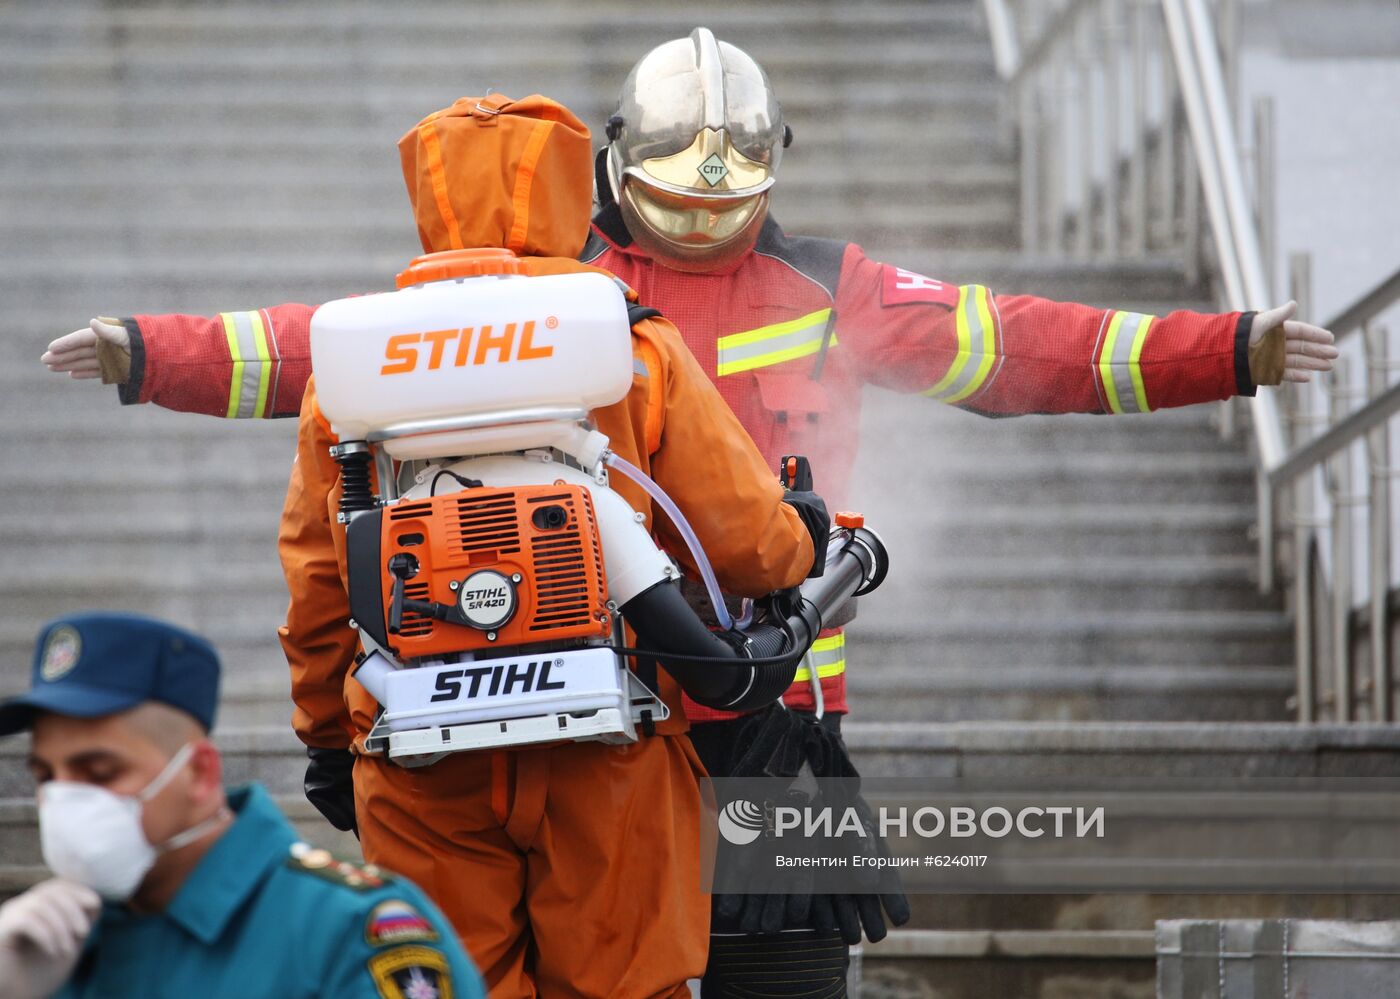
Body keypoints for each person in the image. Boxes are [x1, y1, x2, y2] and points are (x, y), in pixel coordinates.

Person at [37, 27, 1339, 996]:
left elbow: (1033, 344)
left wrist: (1226, 348)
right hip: (599, 714)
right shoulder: (568, 301)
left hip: (773, 726)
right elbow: (306, 350)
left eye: (736, 197)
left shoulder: (820, 288)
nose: (708, 221)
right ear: (607, 169)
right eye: (682, 196)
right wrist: (152, 349)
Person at [285, 94, 816, 996]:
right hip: (606, 742)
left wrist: (330, 738)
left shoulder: (352, 369)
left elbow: (319, 578)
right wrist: (802, 528)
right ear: (576, 197)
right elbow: (751, 546)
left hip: (418, 752)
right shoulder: (627, 341)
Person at [0, 612, 483, 999]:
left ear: (200, 773)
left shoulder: (347, 930)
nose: (64, 798)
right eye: (45, 775)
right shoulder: (47, 944)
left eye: (101, 772)